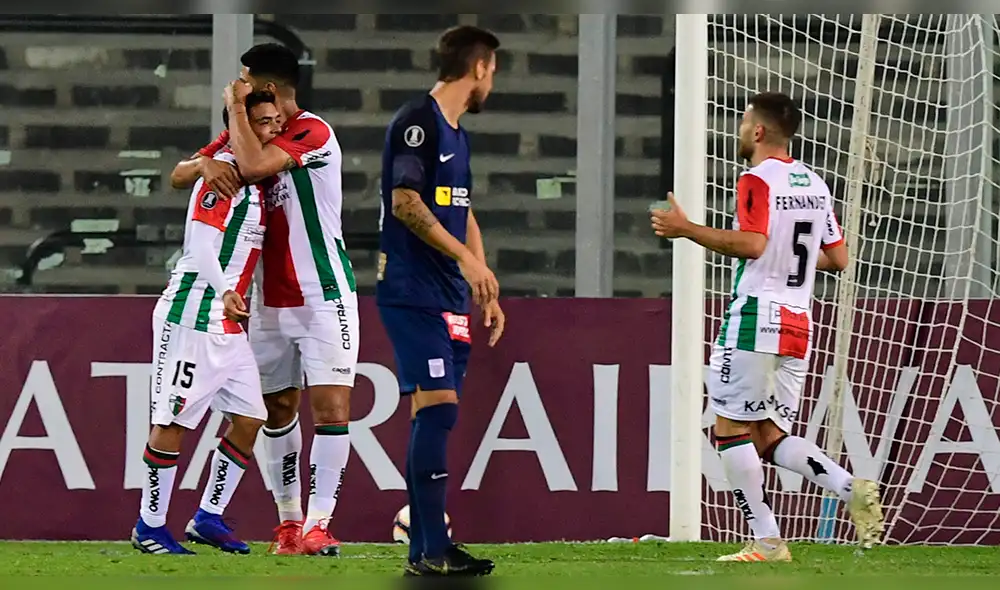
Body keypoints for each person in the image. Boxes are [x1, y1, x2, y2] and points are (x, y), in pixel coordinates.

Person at [650, 91, 885, 561]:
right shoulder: (815, 184)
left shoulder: (756, 180)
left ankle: (766, 540)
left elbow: (754, 245)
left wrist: (687, 229)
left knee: (729, 429)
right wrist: (785, 257)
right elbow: (838, 258)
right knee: (768, 436)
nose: (740, 131)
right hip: (799, 321)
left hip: (757, 315)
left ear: (758, 131)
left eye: (742, 123)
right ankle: (847, 486)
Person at [170, 43, 358, 557]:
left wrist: (232, 118)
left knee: (332, 405)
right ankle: (290, 523)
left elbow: (250, 168)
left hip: (324, 291)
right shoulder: (254, 128)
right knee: (276, 408)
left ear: (267, 87)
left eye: (245, 79)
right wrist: (206, 165)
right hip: (267, 299)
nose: (239, 86)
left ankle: (321, 523)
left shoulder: (312, 132)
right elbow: (180, 173)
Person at [377, 25, 504, 577]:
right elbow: (405, 203)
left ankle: (430, 547)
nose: (492, 82)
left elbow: (462, 208)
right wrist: (468, 262)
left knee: (435, 413)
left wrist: (481, 273)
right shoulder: (417, 123)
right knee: (439, 408)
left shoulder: (458, 133)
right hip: (412, 292)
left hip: (449, 292)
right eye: (493, 71)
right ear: (479, 68)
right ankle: (427, 547)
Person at [132, 91, 280, 555]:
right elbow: (197, 248)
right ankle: (149, 526)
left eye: (276, 120)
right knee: (173, 421)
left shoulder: (254, 172)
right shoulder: (222, 172)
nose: (273, 129)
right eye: (263, 122)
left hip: (226, 321)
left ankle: (208, 516)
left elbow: (184, 168)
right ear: (241, 126)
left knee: (252, 416)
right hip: (193, 313)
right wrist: (224, 291)